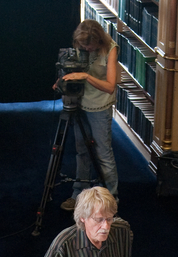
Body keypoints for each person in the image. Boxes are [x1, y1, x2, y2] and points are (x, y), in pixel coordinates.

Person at [59, 19, 118, 211]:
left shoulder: (110, 49)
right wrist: (63, 79)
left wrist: (86, 77)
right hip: (79, 103)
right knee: (81, 151)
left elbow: (110, 87)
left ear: (99, 41)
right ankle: (79, 194)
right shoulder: (80, 45)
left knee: (103, 152)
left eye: (88, 45)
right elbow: (73, 67)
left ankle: (111, 198)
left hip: (100, 106)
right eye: (82, 45)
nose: (85, 48)